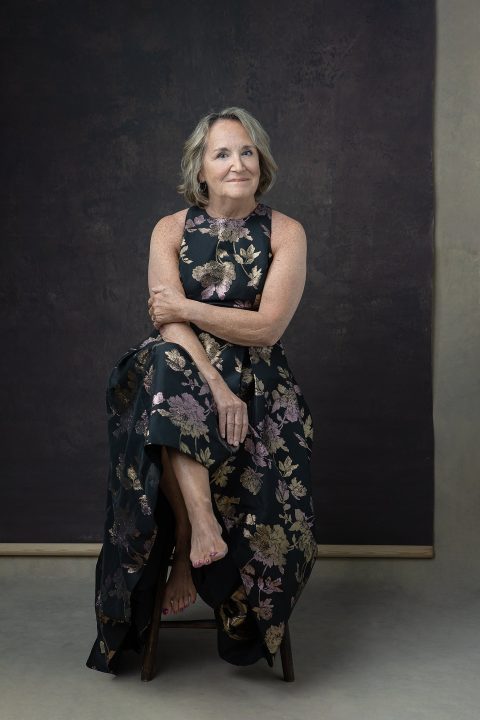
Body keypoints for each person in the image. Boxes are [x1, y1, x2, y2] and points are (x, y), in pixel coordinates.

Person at [86, 106, 317, 675]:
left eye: (246, 151)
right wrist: (216, 385)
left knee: (166, 388)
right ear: (202, 169)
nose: (237, 163)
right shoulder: (169, 229)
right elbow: (168, 329)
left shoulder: (286, 232)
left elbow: (266, 327)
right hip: (183, 368)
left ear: (260, 162)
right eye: (222, 154)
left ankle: (192, 542)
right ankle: (200, 525)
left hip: (258, 379)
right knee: (165, 365)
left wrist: (188, 306)